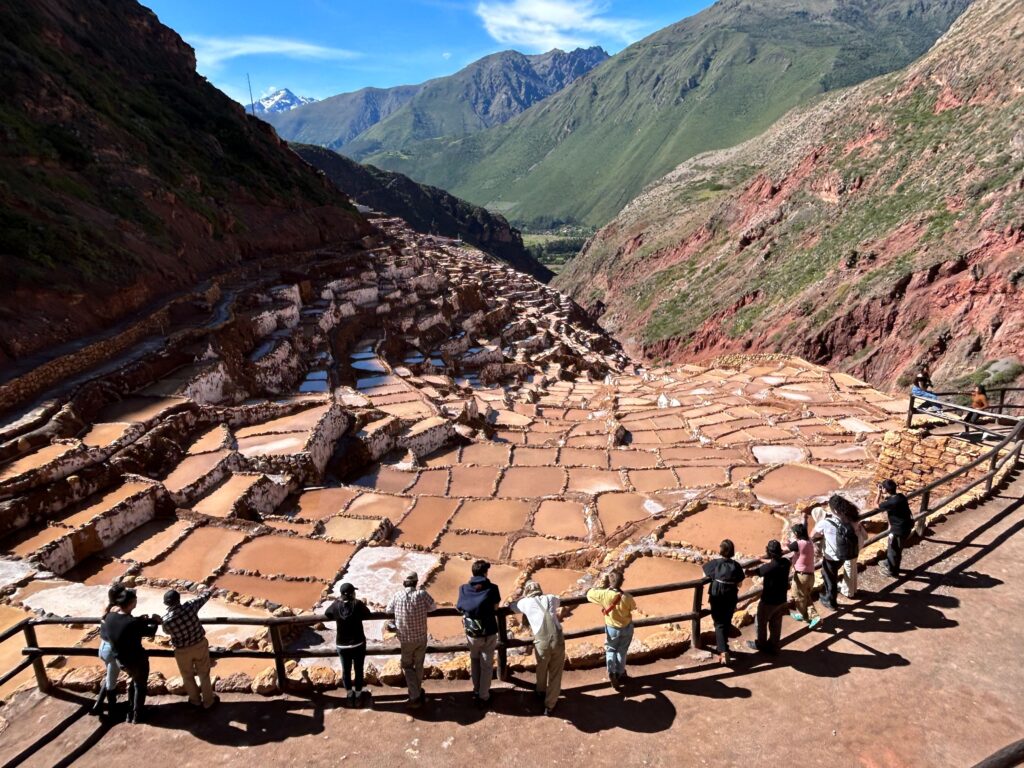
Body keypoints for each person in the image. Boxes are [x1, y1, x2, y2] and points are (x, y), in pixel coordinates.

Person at [102, 587, 159, 724]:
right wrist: (156, 621)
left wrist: (139, 619)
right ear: (132, 603)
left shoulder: (110, 617)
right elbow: (150, 632)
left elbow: (121, 625)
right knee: (140, 685)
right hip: (136, 660)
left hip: (120, 661)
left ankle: (130, 712)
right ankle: (138, 715)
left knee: (134, 682)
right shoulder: (132, 623)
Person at [511, 580, 564, 715]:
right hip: (557, 640)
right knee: (555, 673)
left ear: (527, 593)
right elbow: (559, 600)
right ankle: (550, 705)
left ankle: (540, 690)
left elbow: (512, 606)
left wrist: (522, 597)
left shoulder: (525, 603)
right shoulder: (550, 598)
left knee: (541, 666)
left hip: (542, 642)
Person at [386, 572, 436, 709]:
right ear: (416, 583)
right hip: (421, 638)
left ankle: (414, 696)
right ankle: (417, 691)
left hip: (406, 639)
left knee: (407, 666)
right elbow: (433, 607)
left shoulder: (397, 596)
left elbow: (388, 609)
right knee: (419, 665)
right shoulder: (422, 594)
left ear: (404, 583)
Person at [456, 560, 501, 709]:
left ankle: (476, 690)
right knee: (487, 665)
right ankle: (484, 695)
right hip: (488, 632)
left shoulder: (463, 589)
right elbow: (496, 607)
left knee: (475, 661)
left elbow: (459, 607)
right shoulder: (493, 588)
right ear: (484, 573)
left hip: (472, 634)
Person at [162, 588, 217, 710]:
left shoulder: (166, 620)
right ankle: (208, 701)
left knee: (187, 675)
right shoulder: (190, 607)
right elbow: (202, 598)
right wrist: (210, 590)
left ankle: (195, 700)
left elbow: (166, 631)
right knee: (204, 673)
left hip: (182, 650)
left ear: (166, 603)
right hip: (199, 645)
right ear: (179, 599)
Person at [326, 582, 372, 706]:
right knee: (358, 670)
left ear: (341, 594)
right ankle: (358, 696)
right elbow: (368, 613)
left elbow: (327, 613)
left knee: (346, 671)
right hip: (358, 644)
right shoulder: (357, 604)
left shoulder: (336, 605)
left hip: (342, 645)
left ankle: (349, 695)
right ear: (352, 593)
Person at [586, 570, 636, 687]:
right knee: (622, 651)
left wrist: (602, 586)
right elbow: (633, 607)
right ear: (622, 582)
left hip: (612, 628)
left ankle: (611, 672)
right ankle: (620, 672)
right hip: (626, 627)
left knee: (610, 650)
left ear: (610, 581)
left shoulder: (604, 594)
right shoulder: (627, 597)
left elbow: (589, 594)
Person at [812, 495, 859, 611]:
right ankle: (830, 594)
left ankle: (831, 601)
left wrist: (814, 544)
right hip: (844, 554)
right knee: (829, 574)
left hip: (831, 557)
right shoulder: (850, 518)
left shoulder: (825, 523)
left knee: (829, 578)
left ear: (835, 510)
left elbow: (812, 535)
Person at [703, 540, 745, 664]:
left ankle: (723, 651)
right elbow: (740, 584)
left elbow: (704, 573)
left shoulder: (715, 563)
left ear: (721, 550)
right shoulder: (736, 565)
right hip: (731, 596)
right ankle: (724, 645)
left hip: (717, 595)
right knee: (726, 620)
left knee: (719, 622)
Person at [748, 540, 791, 654]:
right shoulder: (786, 562)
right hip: (781, 599)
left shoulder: (769, 567)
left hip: (768, 601)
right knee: (776, 624)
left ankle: (761, 644)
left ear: (769, 552)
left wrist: (747, 571)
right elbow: (774, 562)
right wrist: (763, 560)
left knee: (760, 622)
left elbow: (754, 572)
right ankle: (774, 644)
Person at [91, 585, 124, 719]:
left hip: (103, 647)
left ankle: (98, 705)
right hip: (111, 650)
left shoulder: (107, 608)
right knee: (111, 682)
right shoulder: (117, 611)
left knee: (109, 678)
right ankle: (112, 710)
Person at [830, 496, 867, 600]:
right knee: (853, 565)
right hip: (857, 542)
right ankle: (853, 589)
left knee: (849, 567)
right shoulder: (851, 510)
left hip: (850, 545)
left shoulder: (843, 517)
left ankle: (848, 592)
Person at [787, 523, 821, 629]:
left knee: (798, 597)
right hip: (810, 575)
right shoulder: (809, 541)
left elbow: (786, 548)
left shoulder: (799, 543)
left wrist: (786, 543)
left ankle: (810, 617)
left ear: (797, 533)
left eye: (794, 533)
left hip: (802, 576)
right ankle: (808, 616)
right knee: (805, 596)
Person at [877, 479, 913, 578]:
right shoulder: (900, 497)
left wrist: (879, 493)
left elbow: (875, 505)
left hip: (898, 530)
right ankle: (890, 563)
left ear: (885, 489)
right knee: (897, 549)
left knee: (893, 550)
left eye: (882, 487)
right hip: (906, 527)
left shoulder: (890, 502)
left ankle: (892, 571)